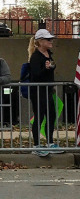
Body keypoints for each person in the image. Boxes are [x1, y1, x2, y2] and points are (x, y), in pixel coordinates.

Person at [28, 28, 64, 157]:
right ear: (40, 41)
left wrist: (51, 67)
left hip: (48, 90)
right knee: (39, 116)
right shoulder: (35, 56)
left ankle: (50, 142)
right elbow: (36, 74)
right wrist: (46, 68)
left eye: (51, 39)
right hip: (37, 91)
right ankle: (37, 145)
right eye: (48, 39)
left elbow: (50, 69)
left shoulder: (49, 53)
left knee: (51, 115)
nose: (51, 41)